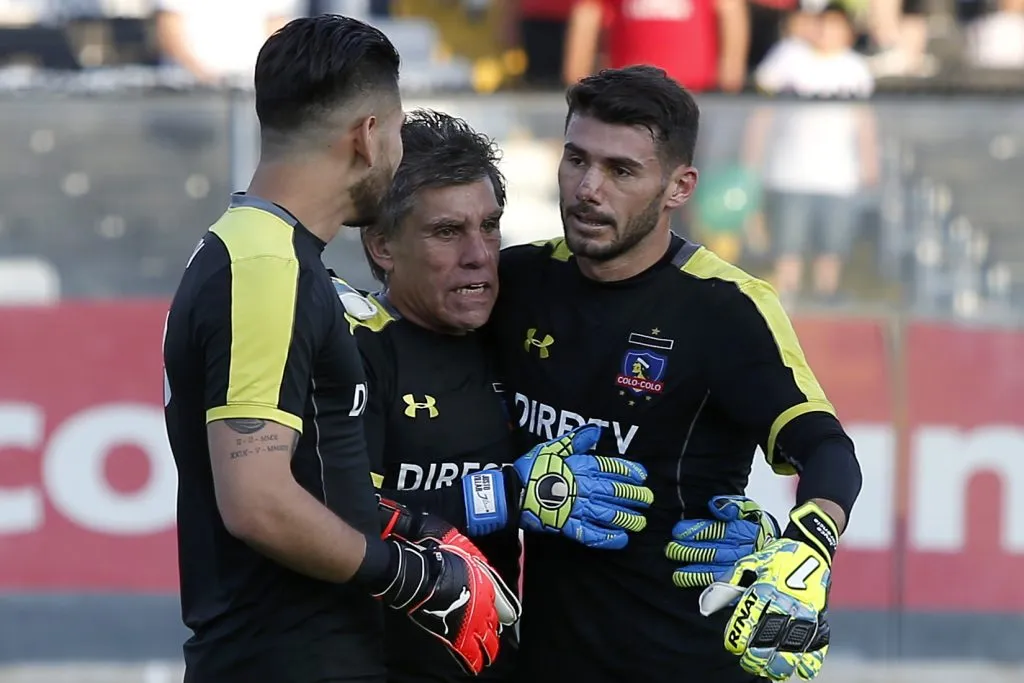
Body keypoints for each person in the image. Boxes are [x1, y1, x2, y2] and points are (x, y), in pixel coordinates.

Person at [479, 65, 863, 683]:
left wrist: (808, 543)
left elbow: (826, 449)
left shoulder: (726, 307)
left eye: (621, 170)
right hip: (546, 658)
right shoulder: (514, 282)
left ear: (679, 187)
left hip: (688, 657)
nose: (587, 188)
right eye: (576, 159)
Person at [162, 16, 509, 683]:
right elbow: (257, 500)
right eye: (399, 132)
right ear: (367, 136)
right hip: (279, 660)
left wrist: (417, 526)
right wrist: (413, 578)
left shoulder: (269, 256)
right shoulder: (264, 267)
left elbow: (308, 471)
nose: (401, 154)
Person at [335, 108, 656, 682]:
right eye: (447, 231)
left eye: (489, 226)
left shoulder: (516, 332)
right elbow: (343, 525)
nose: (480, 254)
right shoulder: (352, 351)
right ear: (382, 245)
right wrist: (502, 495)